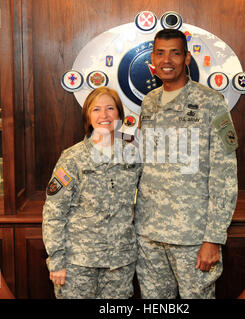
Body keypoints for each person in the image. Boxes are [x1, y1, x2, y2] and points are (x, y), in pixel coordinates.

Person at [135, 29, 238, 299]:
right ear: (153, 59)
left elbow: (225, 175)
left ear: (187, 58)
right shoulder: (149, 102)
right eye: (160, 53)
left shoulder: (211, 103)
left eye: (175, 53)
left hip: (192, 236)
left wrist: (213, 238)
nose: (166, 59)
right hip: (149, 234)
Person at [42, 87, 141, 299]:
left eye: (110, 108)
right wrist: (57, 260)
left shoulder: (133, 155)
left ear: (119, 115)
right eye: (96, 109)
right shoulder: (72, 158)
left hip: (119, 263)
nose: (103, 115)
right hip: (78, 263)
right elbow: (54, 213)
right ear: (88, 115)